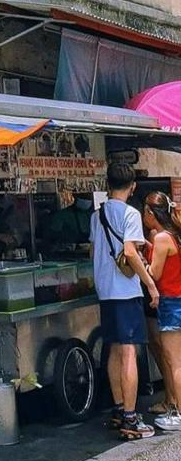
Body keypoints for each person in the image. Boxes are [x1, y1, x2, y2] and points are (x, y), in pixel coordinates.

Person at [90, 167, 159, 439]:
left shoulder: (98, 216)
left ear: (108, 184)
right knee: (129, 351)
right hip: (126, 292)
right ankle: (131, 417)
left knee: (115, 349)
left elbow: (93, 250)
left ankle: (119, 410)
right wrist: (150, 284)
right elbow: (130, 251)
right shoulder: (130, 214)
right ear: (132, 187)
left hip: (105, 291)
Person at [143, 192, 181, 433]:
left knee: (174, 361)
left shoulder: (162, 239)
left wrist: (138, 261)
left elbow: (155, 274)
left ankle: (177, 413)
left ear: (150, 213)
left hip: (170, 302)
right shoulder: (176, 235)